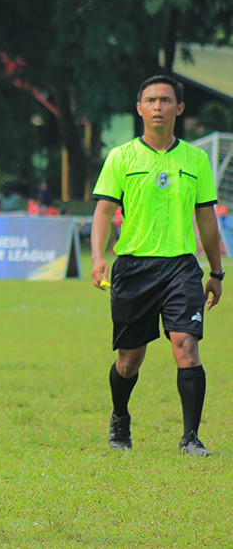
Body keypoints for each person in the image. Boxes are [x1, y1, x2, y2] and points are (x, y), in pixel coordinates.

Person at [90, 75, 223, 457]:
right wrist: (98, 257)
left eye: (166, 100)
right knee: (129, 360)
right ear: (140, 108)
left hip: (181, 268)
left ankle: (190, 438)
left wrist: (216, 273)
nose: (158, 107)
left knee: (187, 347)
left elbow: (207, 219)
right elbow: (103, 211)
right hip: (133, 268)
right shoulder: (121, 157)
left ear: (179, 108)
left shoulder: (196, 160)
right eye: (151, 100)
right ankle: (120, 418)